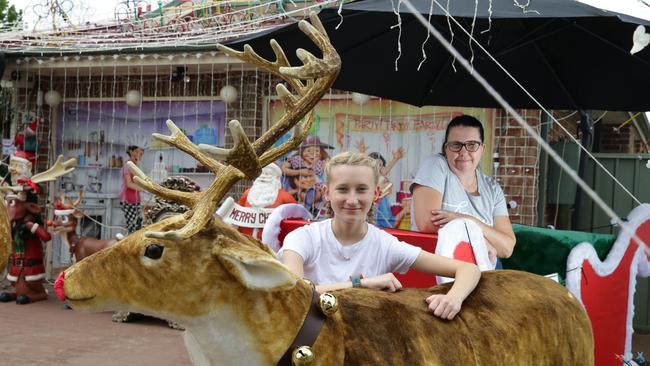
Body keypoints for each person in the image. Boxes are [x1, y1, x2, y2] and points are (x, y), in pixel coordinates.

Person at [279, 152, 480, 320]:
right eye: (342, 189)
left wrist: (454, 298)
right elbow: (294, 291)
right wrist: (360, 285)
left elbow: (468, 269)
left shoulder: (384, 244)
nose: (352, 199)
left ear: (375, 194)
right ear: (327, 192)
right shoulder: (303, 238)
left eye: (361, 190)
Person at [411, 115, 516, 264]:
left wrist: (468, 220)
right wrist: (478, 240)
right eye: (456, 145)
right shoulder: (436, 166)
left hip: (483, 274)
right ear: (446, 148)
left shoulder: (493, 188)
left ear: (482, 149)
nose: (463, 152)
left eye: (472, 145)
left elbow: (506, 248)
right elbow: (427, 223)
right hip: (438, 270)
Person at [236, 163, 296, 240]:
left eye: (268, 174)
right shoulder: (247, 193)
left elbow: (295, 219)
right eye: (262, 173)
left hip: (272, 245)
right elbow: (237, 215)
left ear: (276, 177)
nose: (264, 176)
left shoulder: (285, 197)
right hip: (245, 242)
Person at [119, 145, 144, 234]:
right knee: (132, 226)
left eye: (141, 154)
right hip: (128, 200)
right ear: (131, 152)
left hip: (135, 200)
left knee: (138, 224)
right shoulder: (128, 166)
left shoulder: (134, 166)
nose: (139, 155)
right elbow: (128, 184)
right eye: (137, 152)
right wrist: (142, 188)